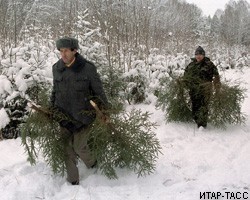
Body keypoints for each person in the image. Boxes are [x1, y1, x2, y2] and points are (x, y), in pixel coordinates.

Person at [51, 37, 109, 185]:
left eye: (66, 51)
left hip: (83, 117)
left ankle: (92, 163)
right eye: (61, 51)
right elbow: (55, 90)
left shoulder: (87, 68)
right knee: (67, 150)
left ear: (75, 51)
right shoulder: (56, 68)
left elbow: (98, 91)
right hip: (64, 116)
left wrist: (105, 110)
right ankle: (73, 181)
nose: (63, 54)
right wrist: (51, 108)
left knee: (79, 147)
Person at [183, 46, 221, 129]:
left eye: (200, 54)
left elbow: (216, 76)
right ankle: (196, 120)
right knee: (195, 105)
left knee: (203, 106)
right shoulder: (191, 65)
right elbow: (186, 75)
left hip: (205, 90)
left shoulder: (209, 64)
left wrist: (217, 86)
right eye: (196, 54)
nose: (198, 56)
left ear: (203, 55)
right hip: (193, 90)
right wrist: (184, 84)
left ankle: (202, 125)